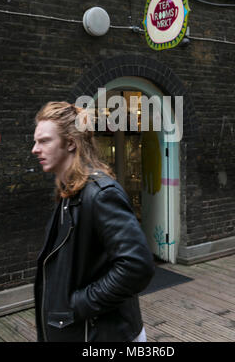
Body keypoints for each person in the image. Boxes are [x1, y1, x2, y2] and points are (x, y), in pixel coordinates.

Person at [31, 101, 155, 342]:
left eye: (44, 141)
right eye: (36, 141)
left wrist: (78, 305)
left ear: (70, 143)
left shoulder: (100, 194)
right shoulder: (69, 194)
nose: (35, 149)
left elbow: (136, 266)